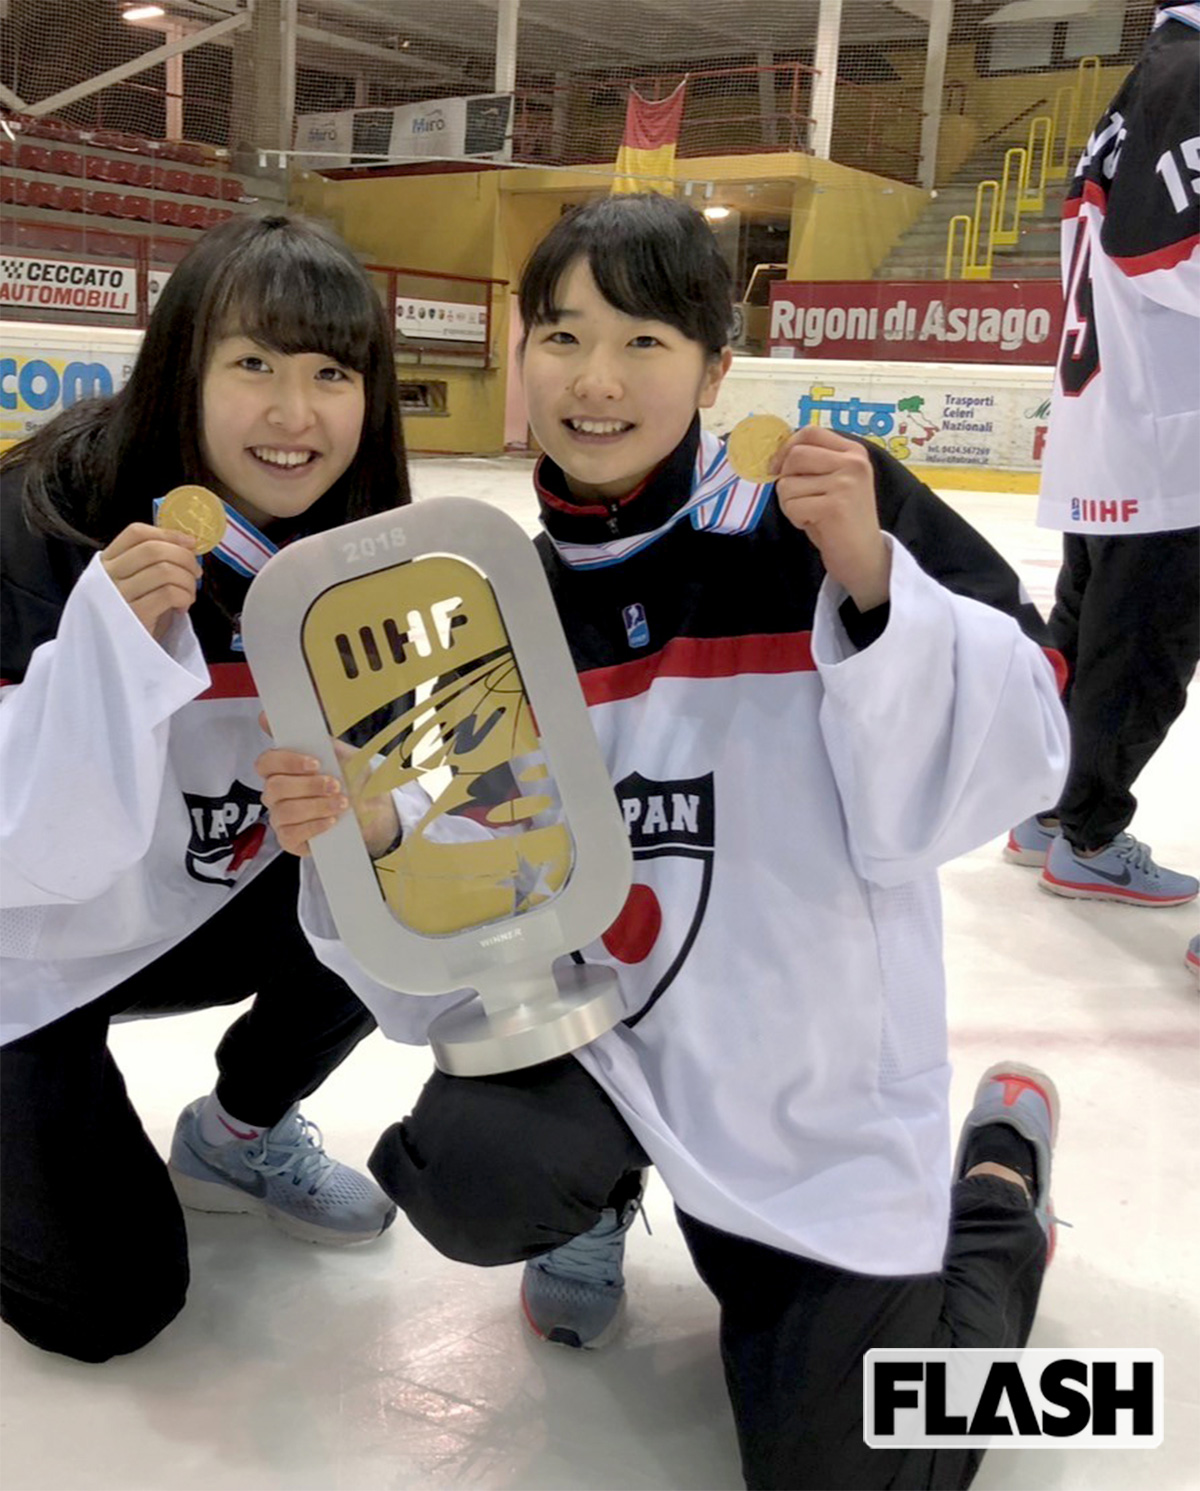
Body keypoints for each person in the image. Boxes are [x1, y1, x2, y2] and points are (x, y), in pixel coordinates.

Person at [263, 194, 1070, 1489]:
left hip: (805, 1077)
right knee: (471, 1169)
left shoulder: (820, 512)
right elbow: (463, 831)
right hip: (616, 1047)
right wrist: (367, 831)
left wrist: (872, 581)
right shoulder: (481, 598)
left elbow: (1024, 733)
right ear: (521, 354)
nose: (596, 379)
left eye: (644, 339)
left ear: (714, 363)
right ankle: (613, 1188)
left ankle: (998, 1191)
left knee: (872, 1469)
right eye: (565, 335)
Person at [0, 213, 407, 1365]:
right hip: (23, 949)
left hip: (196, 897)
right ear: (184, 366)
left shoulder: (363, 555)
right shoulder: (39, 523)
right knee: (105, 1307)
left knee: (399, 884)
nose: (295, 414)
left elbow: (445, 805)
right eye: (254, 365)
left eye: (332, 372)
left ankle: (236, 1132)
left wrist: (371, 813)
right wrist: (101, 658)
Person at [1007, 1, 1199, 908]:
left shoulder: (1147, 79)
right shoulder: (1192, 74)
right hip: (1165, 443)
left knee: (1088, 639)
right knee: (1141, 655)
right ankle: (1086, 834)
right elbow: (1166, 247)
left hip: (1115, 423)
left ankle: (1048, 810)